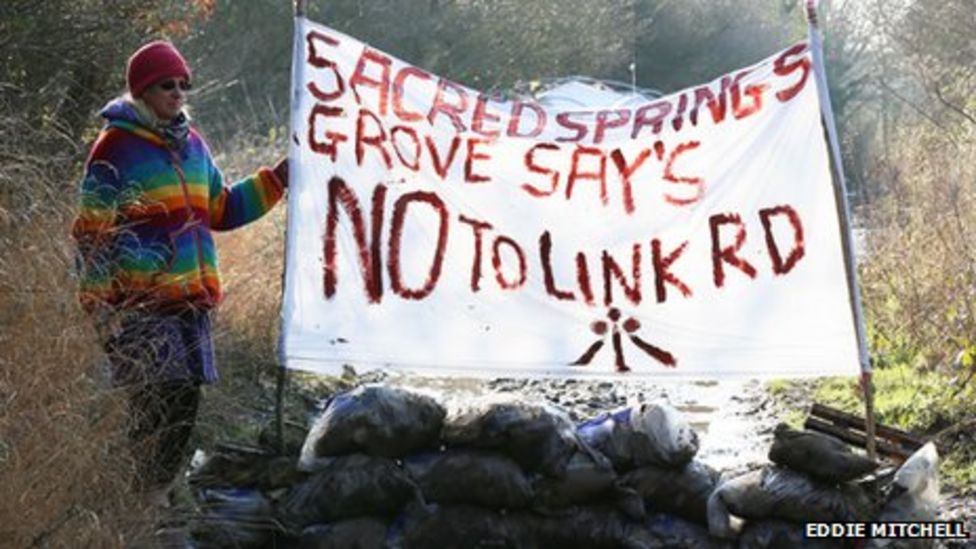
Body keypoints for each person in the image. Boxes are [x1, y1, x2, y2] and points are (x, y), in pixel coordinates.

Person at [70, 40, 288, 507]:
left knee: (182, 412)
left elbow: (223, 208)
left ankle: (152, 504)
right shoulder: (115, 148)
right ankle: (139, 509)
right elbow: (92, 235)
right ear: (143, 90)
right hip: (142, 310)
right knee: (154, 411)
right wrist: (100, 309)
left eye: (184, 84)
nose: (178, 92)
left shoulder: (193, 145)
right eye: (167, 84)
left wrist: (279, 179)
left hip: (192, 309)